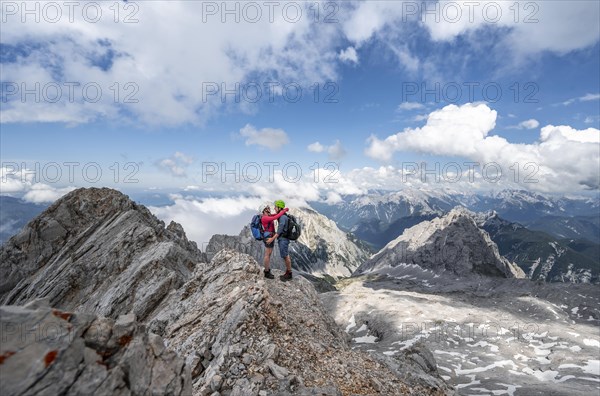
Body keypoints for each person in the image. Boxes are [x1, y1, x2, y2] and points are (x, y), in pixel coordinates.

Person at [258, 203, 288, 279]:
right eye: (267, 208)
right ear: (263, 210)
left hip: (270, 235)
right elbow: (277, 216)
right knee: (267, 254)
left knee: (269, 254)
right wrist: (284, 210)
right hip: (269, 237)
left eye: (268, 208)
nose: (269, 209)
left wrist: (282, 211)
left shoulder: (268, 216)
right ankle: (267, 272)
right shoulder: (264, 218)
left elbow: (275, 214)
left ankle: (267, 270)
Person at [266, 200, 292, 281]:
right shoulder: (282, 215)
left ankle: (289, 273)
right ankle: (288, 272)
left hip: (283, 239)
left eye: (276, 207)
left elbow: (279, 231)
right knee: (285, 255)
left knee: (285, 256)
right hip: (284, 238)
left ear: (279, 208)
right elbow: (274, 216)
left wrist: (271, 239)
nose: (274, 208)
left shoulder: (282, 218)